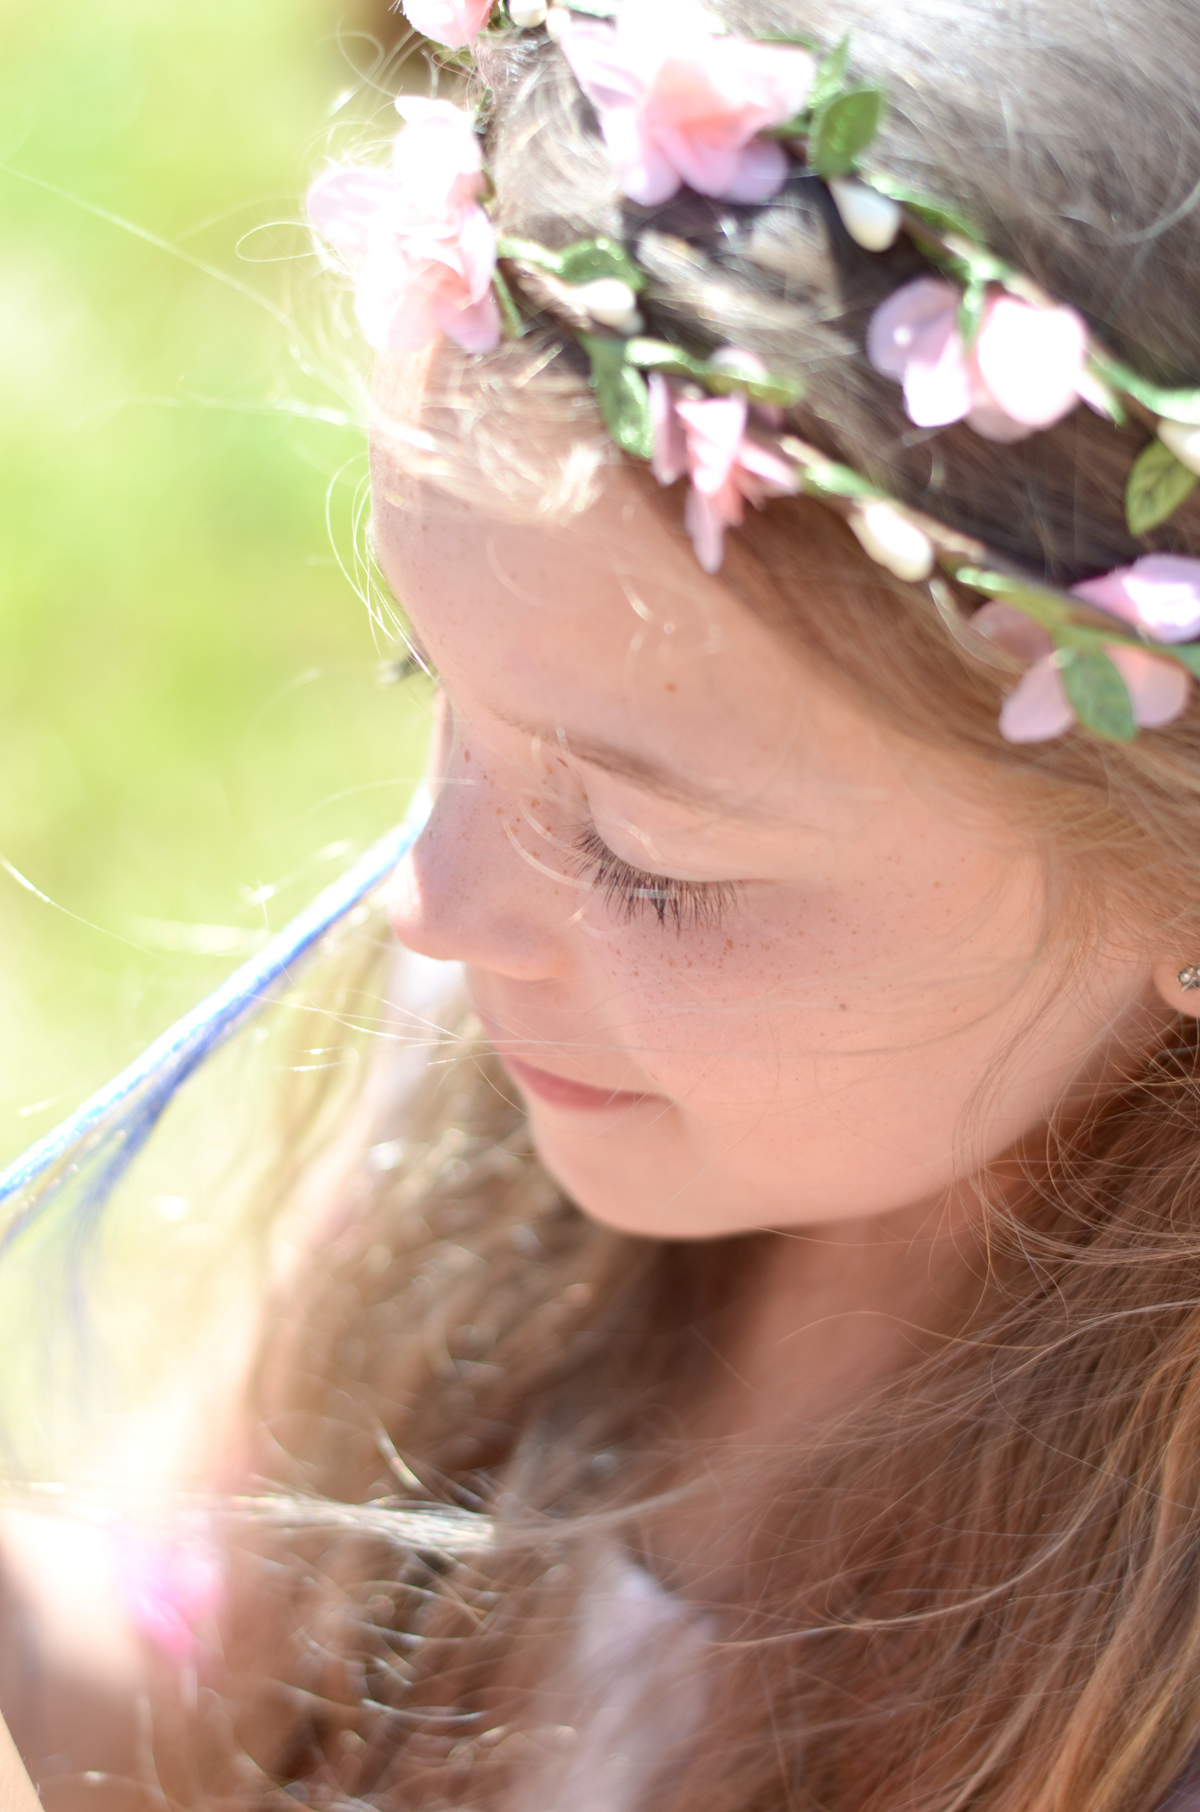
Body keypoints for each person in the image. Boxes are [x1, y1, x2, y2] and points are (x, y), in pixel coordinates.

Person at [8, 0, 1200, 1807]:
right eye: (433, 687)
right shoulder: (513, 1065)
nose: (431, 906)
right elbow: (210, 1726)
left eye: (649, 857)